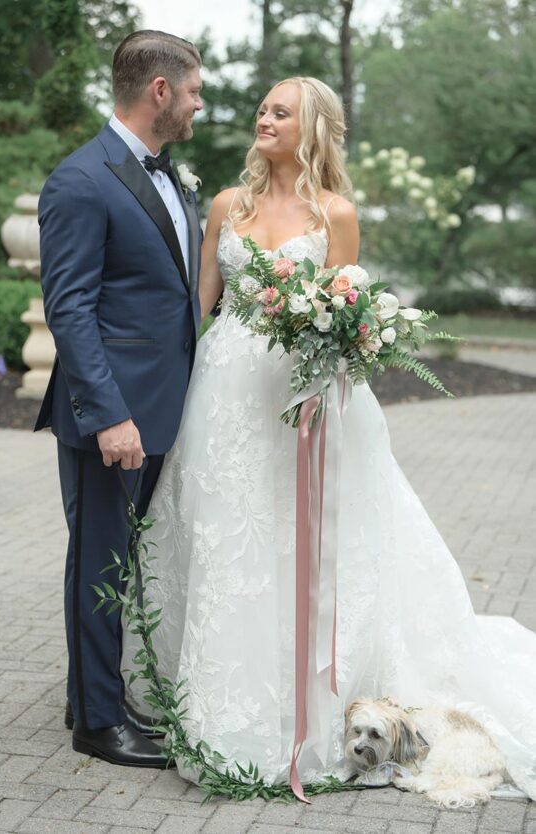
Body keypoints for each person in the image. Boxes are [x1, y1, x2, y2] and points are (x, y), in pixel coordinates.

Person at [124, 77, 536, 797]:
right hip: (224, 397)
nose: (264, 118)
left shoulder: (336, 213)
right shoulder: (228, 205)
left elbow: (349, 314)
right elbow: (196, 313)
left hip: (307, 400)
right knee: (226, 539)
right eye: (262, 109)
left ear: (311, 126)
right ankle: (213, 704)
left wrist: (342, 353)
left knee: (306, 545)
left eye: (279, 111)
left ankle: (317, 702)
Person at [35, 30, 203, 767]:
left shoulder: (168, 176)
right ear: (159, 91)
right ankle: (97, 724)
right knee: (99, 563)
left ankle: (96, 690)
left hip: (161, 407)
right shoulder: (81, 179)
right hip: (114, 417)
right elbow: (69, 309)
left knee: (120, 564)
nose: (201, 102)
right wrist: (109, 416)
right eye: (194, 89)